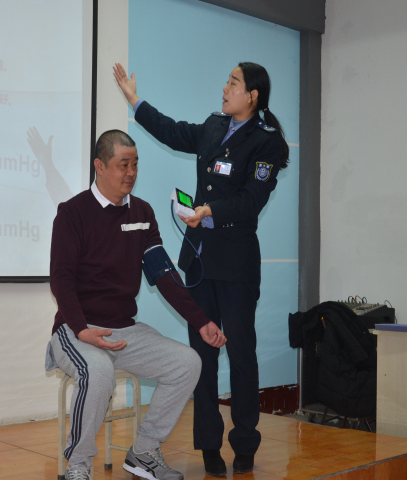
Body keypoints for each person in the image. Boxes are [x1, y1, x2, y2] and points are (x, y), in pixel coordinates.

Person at [113, 62, 289, 476]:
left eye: (233, 83)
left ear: (252, 96)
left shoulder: (267, 143)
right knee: (202, 356)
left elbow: (251, 202)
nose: (224, 88)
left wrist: (209, 211)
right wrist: (135, 101)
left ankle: (244, 442)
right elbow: (173, 131)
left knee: (241, 353)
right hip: (199, 262)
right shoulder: (213, 126)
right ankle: (209, 444)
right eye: (226, 81)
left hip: (237, 264)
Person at [45, 129, 227, 480]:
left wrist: (201, 320)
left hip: (125, 331)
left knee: (188, 362)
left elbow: (164, 276)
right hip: (76, 329)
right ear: (100, 166)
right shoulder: (72, 213)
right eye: (123, 164)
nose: (131, 172)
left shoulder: (142, 212)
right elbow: (61, 279)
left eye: (135, 164)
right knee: (98, 372)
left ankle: (144, 452)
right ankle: (78, 465)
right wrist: (81, 329)